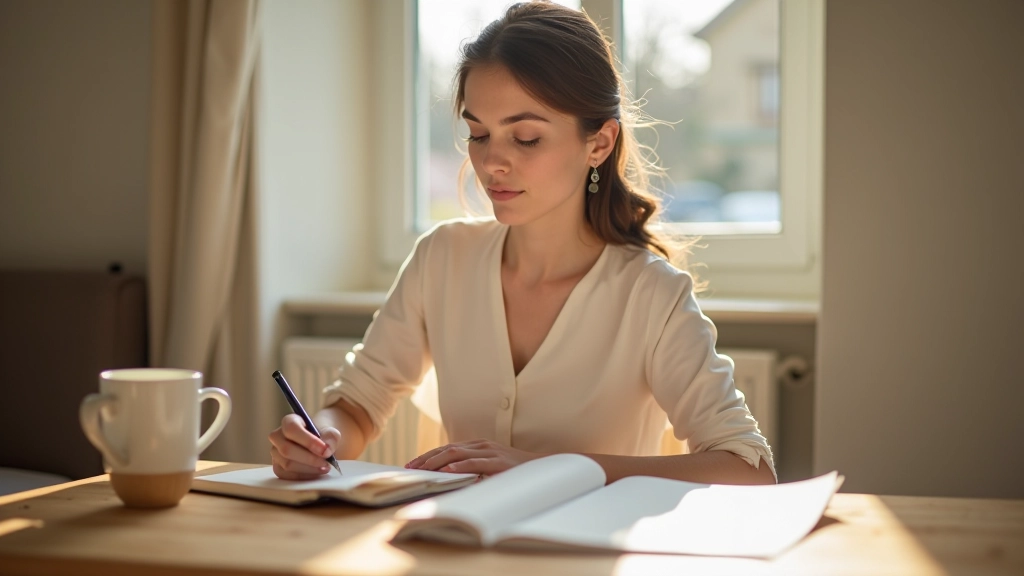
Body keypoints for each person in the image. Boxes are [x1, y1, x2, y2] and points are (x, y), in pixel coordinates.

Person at [268, 1, 776, 486]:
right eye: (479, 133)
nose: (492, 163)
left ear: (598, 142)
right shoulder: (442, 258)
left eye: (526, 138)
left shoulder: (652, 295)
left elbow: (747, 470)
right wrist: (324, 435)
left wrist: (549, 467)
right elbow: (358, 403)